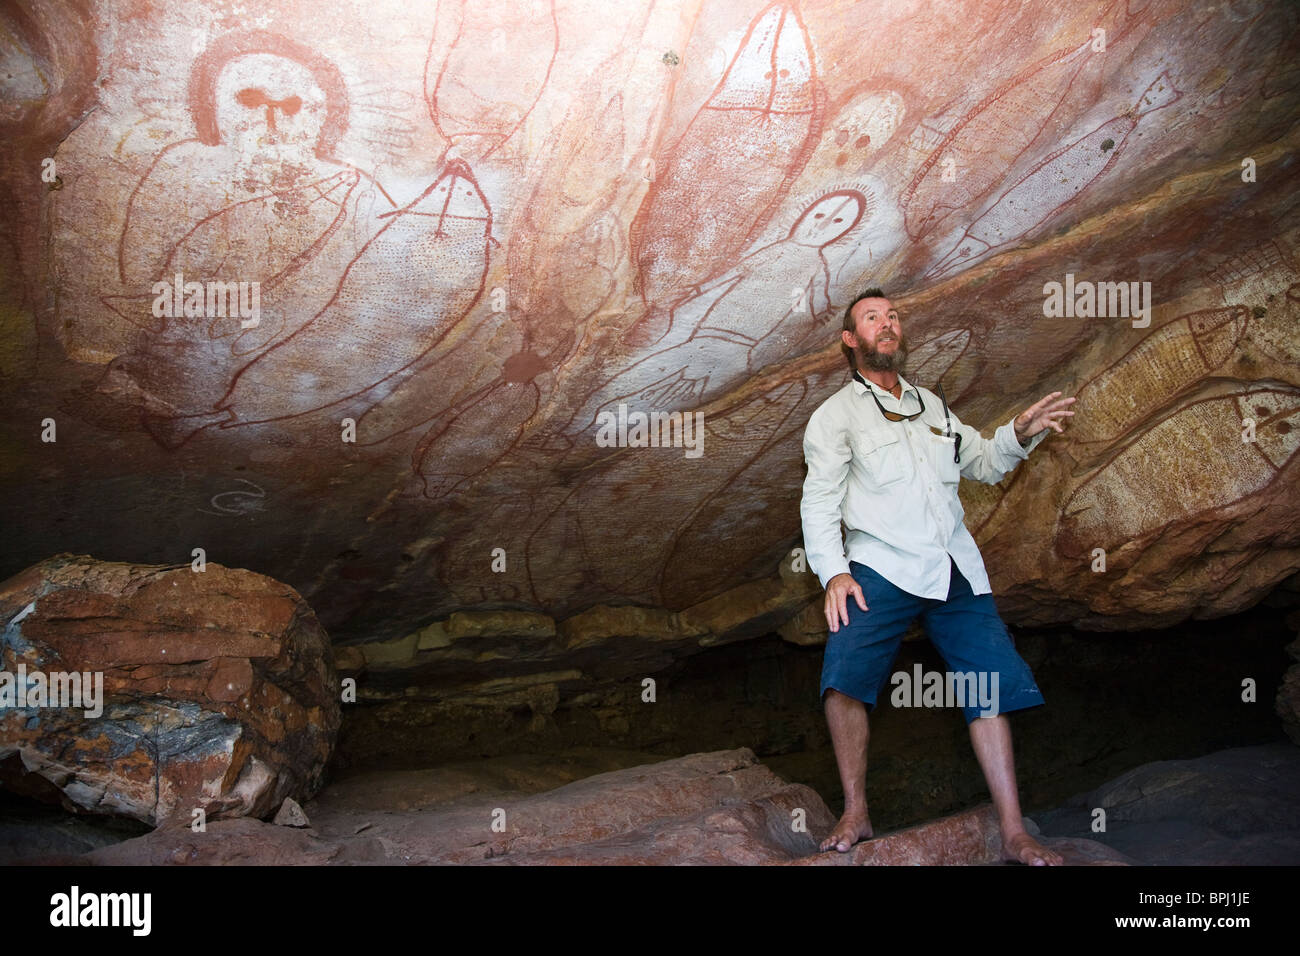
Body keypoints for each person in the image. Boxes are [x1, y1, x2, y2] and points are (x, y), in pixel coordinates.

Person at [799, 288, 1076, 865]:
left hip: (952, 564)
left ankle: (1014, 832)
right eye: (873, 318)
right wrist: (833, 573)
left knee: (988, 688)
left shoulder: (931, 405)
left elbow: (980, 460)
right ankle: (856, 810)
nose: (887, 324)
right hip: (881, 563)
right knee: (844, 673)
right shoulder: (834, 417)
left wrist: (1020, 430)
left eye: (893, 316)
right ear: (851, 340)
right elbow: (819, 502)